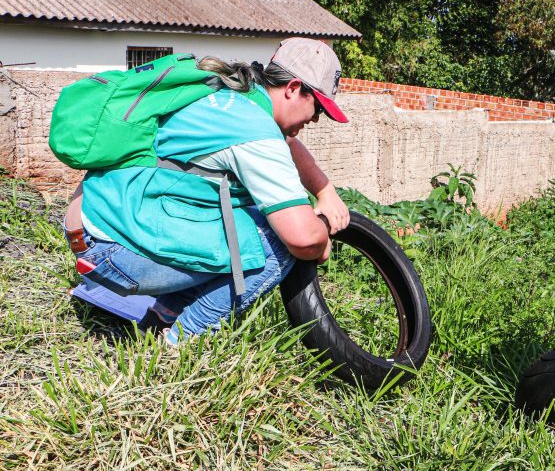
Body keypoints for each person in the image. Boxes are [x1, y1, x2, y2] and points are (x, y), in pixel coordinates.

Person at [63, 37, 351, 344]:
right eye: (318, 106)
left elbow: (289, 145)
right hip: (111, 248)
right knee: (277, 243)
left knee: (241, 224)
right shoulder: (254, 130)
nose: (316, 118)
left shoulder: (233, 94)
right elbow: (302, 238)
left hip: (91, 223)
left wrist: (326, 191)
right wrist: (319, 241)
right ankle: (181, 343)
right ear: (293, 89)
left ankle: (158, 323)